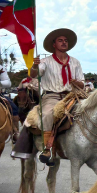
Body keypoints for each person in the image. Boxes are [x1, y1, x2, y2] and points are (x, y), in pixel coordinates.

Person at [29, 28, 85, 163]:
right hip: (52, 96)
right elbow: (34, 75)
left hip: (73, 95)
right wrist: (34, 66)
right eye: (60, 40)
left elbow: (82, 83)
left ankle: (96, 145)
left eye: (65, 41)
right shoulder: (45, 62)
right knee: (48, 114)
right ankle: (47, 148)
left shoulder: (75, 62)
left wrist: (77, 83)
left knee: (92, 109)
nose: (64, 43)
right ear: (54, 44)